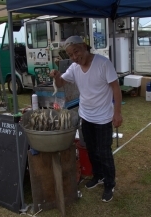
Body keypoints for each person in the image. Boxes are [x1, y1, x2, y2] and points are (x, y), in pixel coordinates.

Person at [50, 35, 123, 202]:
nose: (75, 57)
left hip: (104, 118)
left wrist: (117, 113)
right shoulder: (74, 68)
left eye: (76, 52)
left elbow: (116, 88)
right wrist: (56, 75)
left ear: (84, 46)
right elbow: (61, 83)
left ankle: (110, 184)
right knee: (90, 149)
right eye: (70, 55)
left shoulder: (103, 63)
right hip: (86, 116)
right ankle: (98, 177)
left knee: (104, 152)